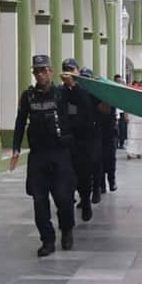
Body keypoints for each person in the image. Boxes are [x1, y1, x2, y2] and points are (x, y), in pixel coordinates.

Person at [10, 55, 78, 257]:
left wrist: (73, 85)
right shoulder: (28, 96)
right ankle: (47, 240)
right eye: (37, 71)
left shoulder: (62, 93)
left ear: (50, 71)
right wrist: (15, 147)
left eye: (44, 70)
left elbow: (79, 106)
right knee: (39, 202)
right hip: (38, 155)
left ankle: (66, 230)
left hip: (60, 154)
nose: (40, 74)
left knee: (64, 199)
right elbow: (20, 121)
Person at [61, 59, 94, 222]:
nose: (68, 73)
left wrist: (74, 85)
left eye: (71, 70)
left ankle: (85, 200)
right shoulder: (61, 91)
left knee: (84, 174)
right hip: (67, 139)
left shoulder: (84, 89)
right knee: (66, 176)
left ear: (77, 71)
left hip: (83, 138)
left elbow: (87, 106)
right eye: (65, 70)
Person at [79, 67, 104, 205]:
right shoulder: (76, 93)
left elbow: (104, 110)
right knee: (81, 167)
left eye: (87, 78)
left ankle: (96, 189)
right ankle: (84, 196)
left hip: (94, 133)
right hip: (79, 134)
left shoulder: (95, 94)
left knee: (95, 163)